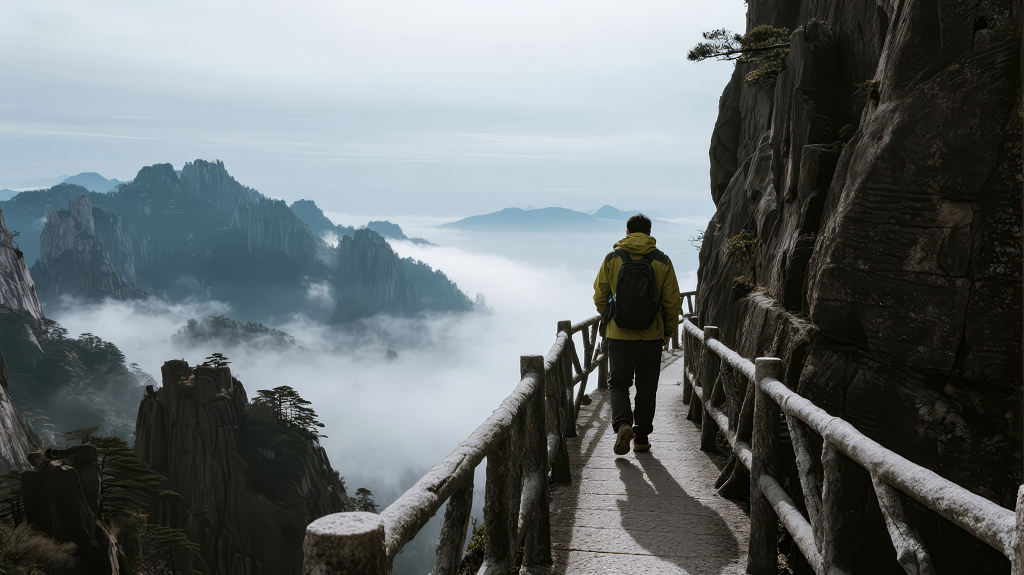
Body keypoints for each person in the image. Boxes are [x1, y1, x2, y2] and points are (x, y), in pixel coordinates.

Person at [593, 214, 681, 455]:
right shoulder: (662, 261)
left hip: (619, 336)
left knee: (619, 383)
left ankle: (623, 424)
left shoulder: (613, 258)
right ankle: (641, 438)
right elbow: (672, 301)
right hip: (652, 336)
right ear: (650, 233)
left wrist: (613, 316)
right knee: (646, 386)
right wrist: (668, 330)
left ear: (627, 232)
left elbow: (599, 295)